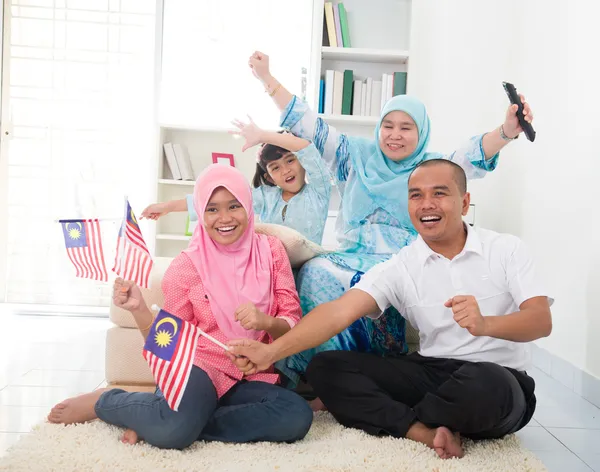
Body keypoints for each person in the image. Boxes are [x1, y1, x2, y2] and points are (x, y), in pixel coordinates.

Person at [227, 159, 552, 459]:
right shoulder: (401, 264)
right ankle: (419, 430)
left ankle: (381, 411)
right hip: (432, 372)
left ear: (464, 202)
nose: (427, 204)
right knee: (326, 368)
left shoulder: (506, 250)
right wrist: (272, 353)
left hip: (498, 378)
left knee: (486, 387)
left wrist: (486, 324)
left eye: (439, 193)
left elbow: (540, 321)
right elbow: (338, 312)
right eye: (416, 196)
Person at [247, 50, 535, 383]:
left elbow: (472, 153)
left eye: (406, 127)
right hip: (350, 255)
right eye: (388, 125)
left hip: (401, 260)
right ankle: (312, 375)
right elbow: (309, 123)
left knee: (376, 287)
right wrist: (267, 79)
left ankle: (363, 377)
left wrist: (507, 131)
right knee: (314, 272)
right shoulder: (352, 155)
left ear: (421, 132)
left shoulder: (430, 167)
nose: (394, 134)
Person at [48, 164, 313, 449]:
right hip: (199, 370)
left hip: (252, 375)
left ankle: (155, 419)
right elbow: (168, 345)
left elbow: (291, 320)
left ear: (247, 206)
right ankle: (108, 401)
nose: (224, 218)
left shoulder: (271, 251)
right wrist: (139, 310)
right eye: (212, 209)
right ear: (200, 212)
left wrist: (265, 323)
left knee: (296, 416)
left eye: (233, 206)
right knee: (173, 432)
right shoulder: (186, 267)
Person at [141, 120, 332, 245]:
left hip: (307, 267)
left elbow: (308, 151)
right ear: (268, 177)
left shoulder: (318, 191)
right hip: (270, 266)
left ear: (302, 162)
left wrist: (264, 135)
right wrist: (168, 206)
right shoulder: (265, 197)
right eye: (275, 168)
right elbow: (215, 199)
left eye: (290, 160)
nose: (286, 170)